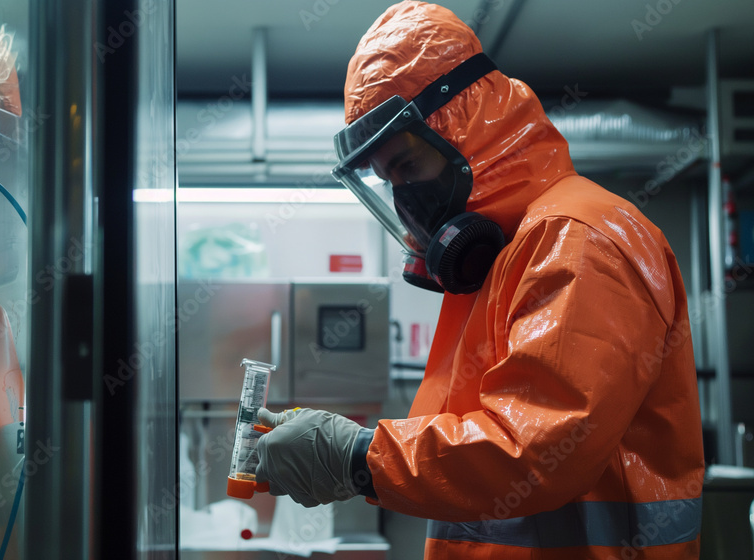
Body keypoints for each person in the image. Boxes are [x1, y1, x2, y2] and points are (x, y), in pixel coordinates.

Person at [254, 3, 705, 558]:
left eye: (407, 168)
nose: (405, 200)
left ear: (463, 126)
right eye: (388, 181)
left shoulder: (576, 238)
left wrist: (356, 456)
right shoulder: (508, 256)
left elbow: (534, 450)